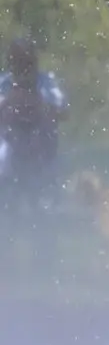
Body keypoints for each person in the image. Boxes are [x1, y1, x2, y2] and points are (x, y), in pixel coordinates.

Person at [0, 38, 68, 215]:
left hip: (41, 154)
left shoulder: (47, 82)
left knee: (43, 212)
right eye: (19, 62)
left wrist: (41, 108)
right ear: (12, 63)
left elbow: (63, 111)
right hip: (10, 157)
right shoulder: (3, 84)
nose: (24, 67)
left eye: (27, 62)